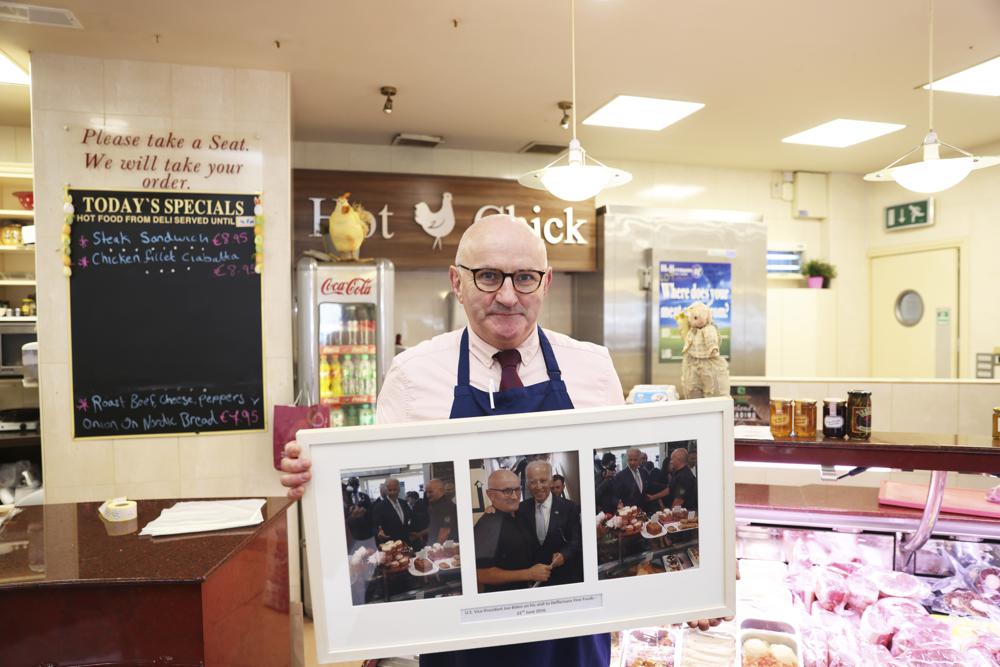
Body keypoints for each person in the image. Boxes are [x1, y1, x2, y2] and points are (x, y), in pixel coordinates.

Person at [280, 214, 724, 664]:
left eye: (525, 278)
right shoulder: (412, 375)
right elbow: (364, 485)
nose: (508, 296)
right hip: (460, 642)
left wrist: (685, 587)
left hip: (571, 639)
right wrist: (317, 479)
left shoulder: (592, 367)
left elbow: (602, 516)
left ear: (545, 282)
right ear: (457, 281)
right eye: (488, 276)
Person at [474, 469, 550, 592]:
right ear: (490, 495)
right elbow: (481, 574)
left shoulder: (520, 513)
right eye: (507, 491)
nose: (515, 496)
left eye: (517, 489)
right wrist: (529, 574)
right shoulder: (486, 526)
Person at [518, 460, 582, 587]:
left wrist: (565, 554)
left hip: (563, 578)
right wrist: (492, 510)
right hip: (533, 581)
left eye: (543, 481)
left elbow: (577, 539)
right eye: (533, 482)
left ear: (550, 481)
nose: (538, 486)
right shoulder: (520, 509)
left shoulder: (569, 507)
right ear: (527, 484)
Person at [371, 478, 413, 543]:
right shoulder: (379, 507)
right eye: (390, 490)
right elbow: (375, 526)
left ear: (399, 489)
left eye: (395, 490)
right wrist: (379, 532)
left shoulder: (404, 503)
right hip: (391, 543)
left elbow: (410, 518)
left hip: (406, 541)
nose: (392, 492)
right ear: (386, 490)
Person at [424, 478, 458, 544]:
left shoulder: (446, 506)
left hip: (445, 548)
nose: (427, 495)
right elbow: (434, 526)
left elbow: (445, 531)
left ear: (441, 490)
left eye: (430, 492)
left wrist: (435, 550)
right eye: (426, 492)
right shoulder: (436, 505)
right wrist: (419, 534)